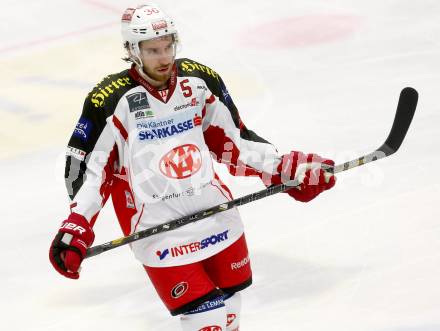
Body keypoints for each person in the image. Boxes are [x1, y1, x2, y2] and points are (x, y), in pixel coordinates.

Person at [49, 4, 336, 331]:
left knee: (229, 312)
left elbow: (234, 143)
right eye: (153, 49)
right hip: (156, 227)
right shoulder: (111, 100)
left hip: (215, 213)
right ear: (133, 50)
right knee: (208, 318)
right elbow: (89, 170)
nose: (164, 56)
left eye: (168, 45)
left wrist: (285, 168)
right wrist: (77, 224)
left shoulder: (199, 80)